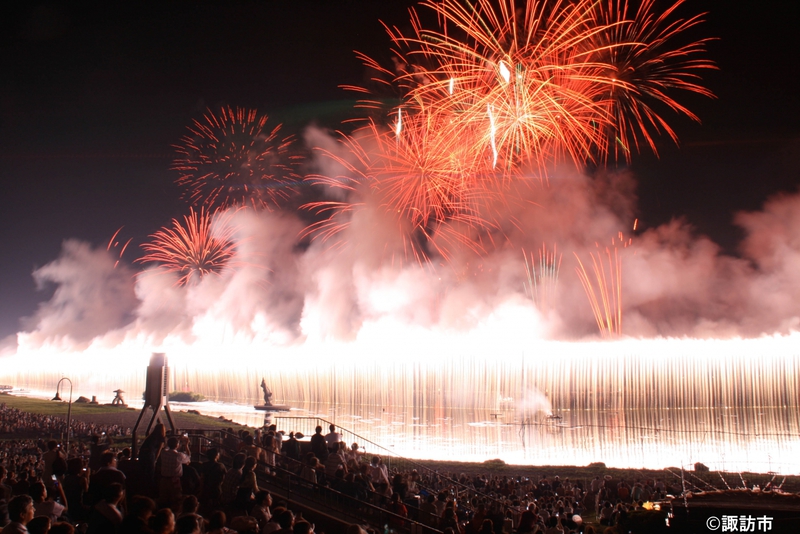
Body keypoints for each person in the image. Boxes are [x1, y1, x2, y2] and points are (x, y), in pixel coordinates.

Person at [159, 436, 191, 508]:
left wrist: (176, 440)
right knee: (175, 501)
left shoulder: (163, 453)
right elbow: (188, 458)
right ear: (177, 445)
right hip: (174, 481)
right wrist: (186, 445)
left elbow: (166, 448)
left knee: (163, 501)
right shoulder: (179, 455)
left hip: (163, 480)